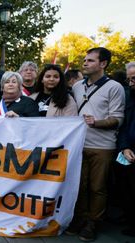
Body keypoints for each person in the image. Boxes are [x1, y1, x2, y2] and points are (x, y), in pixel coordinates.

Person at [68, 47, 125, 241]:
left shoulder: (114, 87)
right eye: (85, 60)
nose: (85, 63)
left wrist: (97, 122)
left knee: (97, 187)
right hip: (79, 144)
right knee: (80, 185)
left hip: (103, 147)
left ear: (103, 64)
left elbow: (118, 119)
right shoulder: (76, 87)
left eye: (91, 60)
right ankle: (81, 219)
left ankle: (93, 222)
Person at [115, 61, 135, 237]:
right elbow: (123, 126)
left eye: (134, 79)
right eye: (129, 80)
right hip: (129, 152)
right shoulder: (129, 97)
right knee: (128, 189)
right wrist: (124, 147)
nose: (131, 83)